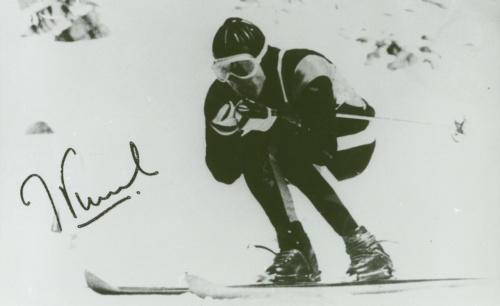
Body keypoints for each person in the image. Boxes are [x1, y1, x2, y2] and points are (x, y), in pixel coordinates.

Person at [204, 17, 393, 283]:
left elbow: (322, 149)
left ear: (262, 58)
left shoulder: (303, 66)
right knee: (253, 144)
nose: (234, 80)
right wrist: (224, 134)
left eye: (243, 67)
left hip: (350, 139)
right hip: (302, 138)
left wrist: (272, 121)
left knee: (285, 150)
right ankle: (295, 249)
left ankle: (364, 245)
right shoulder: (220, 95)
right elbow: (224, 173)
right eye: (224, 70)